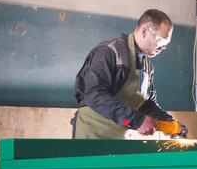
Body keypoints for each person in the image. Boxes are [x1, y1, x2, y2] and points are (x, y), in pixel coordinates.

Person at [72, 9, 182, 140]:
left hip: (120, 138)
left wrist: (169, 122)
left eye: (166, 44)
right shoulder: (110, 51)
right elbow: (94, 94)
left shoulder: (147, 66)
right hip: (92, 135)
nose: (163, 47)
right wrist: (137, 120)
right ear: (145, 31)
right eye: (162, 40)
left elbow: (146, 104)